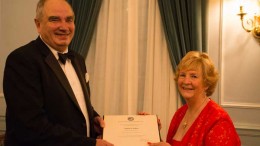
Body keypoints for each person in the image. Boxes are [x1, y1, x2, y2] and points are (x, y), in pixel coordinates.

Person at [3, 0, 113, 146]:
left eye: (69, 20)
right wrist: (89, 144)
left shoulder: (78, 60)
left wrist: (92, 117)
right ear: (38, 24)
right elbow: (30, 127)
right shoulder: (22, 60)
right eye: (54, 19)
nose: (64, 27)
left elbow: (72, 103)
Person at [147, 51, 241, 146]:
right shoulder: (180, 114)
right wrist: (153, 132)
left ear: (206, 83)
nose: (186, 81)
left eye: (193, 76)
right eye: (182, 75)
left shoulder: (219, 120)